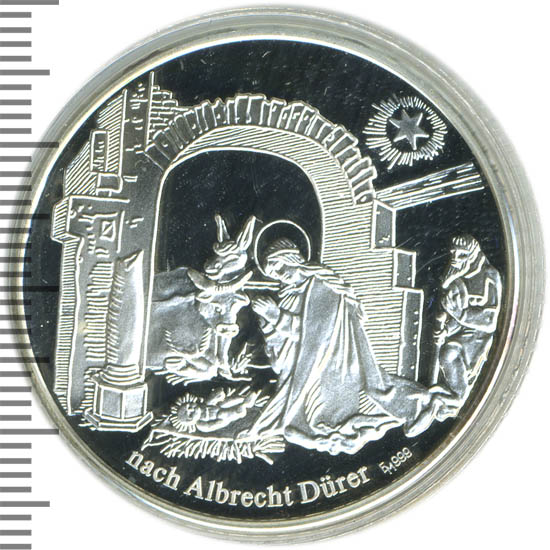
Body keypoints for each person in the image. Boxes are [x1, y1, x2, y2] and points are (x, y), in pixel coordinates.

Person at [250, 238, 448, 455]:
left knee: (372, 386)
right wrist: (268, 326)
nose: (279, 274)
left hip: (334, 360)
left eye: (279, 266)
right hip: (309, 367)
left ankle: (419, 406)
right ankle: (416, 407)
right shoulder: (288, 295)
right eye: (273, 273)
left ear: (291, 258)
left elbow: (315, 334)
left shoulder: (321, 286)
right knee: (296, 428)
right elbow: (286, 351)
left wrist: (275, 316)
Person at [432, 235, 502, 409]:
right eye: (453, 253)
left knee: (449, 354)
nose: (455, 259)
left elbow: (490, 321)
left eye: (462, 255)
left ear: (473, 255)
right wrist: (447, 330)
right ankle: (454, 393)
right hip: (460, 334)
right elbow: (455, 316)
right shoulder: (457, 279)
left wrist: (462, 315)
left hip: (479, 337)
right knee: (448, 353)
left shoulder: (490, 276)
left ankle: (458, 398)